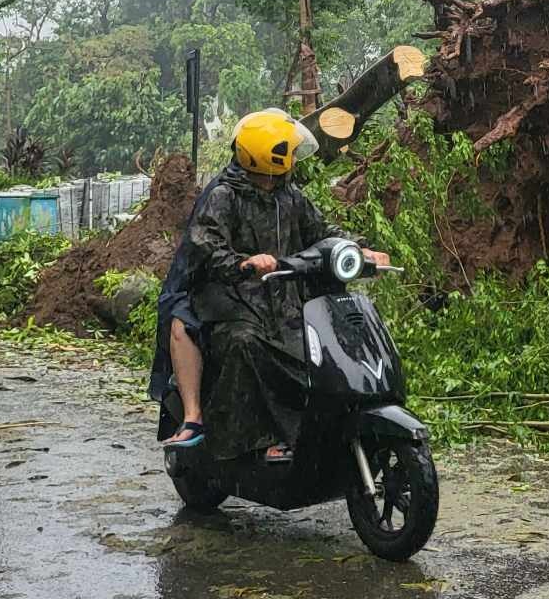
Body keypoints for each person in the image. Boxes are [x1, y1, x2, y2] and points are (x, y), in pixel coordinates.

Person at [154, 109, 386, 459]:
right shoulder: (223, 195)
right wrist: (242, 263)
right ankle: (249, 439)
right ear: (267, 155)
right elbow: (205, 243)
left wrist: (355, 248)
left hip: (283, 295)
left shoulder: (289, 194)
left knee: (314, 345)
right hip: (232, 297)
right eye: (286, 151)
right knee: (246, 343)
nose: (292, 158)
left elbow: (321, 232)